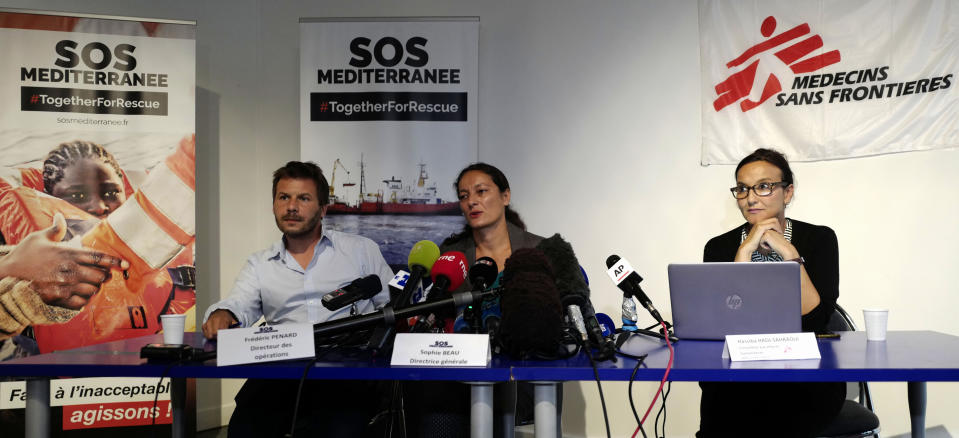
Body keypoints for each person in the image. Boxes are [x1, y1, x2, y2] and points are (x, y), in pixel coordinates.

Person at [202, 161, 394, 438]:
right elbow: (238, 303)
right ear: (273, 205)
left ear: (323, 209)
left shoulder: (361, 251)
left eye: (303, 198)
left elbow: (395, 305)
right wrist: (223, 313)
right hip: (280, 370)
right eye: (284, 197)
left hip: (345, 373)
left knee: (342, 430)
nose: (291, 206)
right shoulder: (260, 263)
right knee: (245, 428)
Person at [404, 162, 564, 438]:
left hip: (527, 380)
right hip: (458, 382)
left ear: (505, 196)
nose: (472, 201)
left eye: (481, 191)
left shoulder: (542, 250)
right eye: (464, 196)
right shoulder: (450, 254)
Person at [697, 148, 845, 437]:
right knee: (720, 397)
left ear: (787, 193)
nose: (750, 197)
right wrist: (744, 252)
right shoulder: (719, 246)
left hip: (803, 377)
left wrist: (790, 253)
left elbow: (815, 320)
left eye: (763, 186)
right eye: (742, 189)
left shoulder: (819, 239)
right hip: (738, 379)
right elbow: (724, 323)